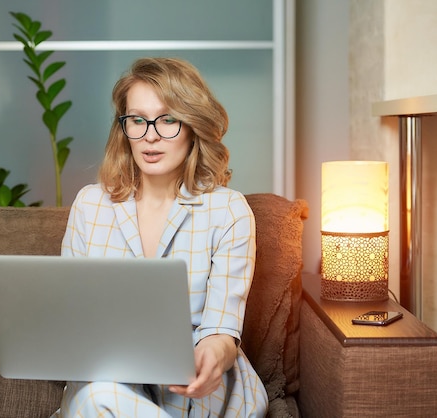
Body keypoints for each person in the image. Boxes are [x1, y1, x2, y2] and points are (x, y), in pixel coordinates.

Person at [54, 57, 268, 417]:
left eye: (167, 119)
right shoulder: (90, 205)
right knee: (96, 396)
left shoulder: (228, 210)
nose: (150, 135)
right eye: (137, 120)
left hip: (194, 391)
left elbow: (222, 330)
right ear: (124, 128)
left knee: (95, 401)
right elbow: (71, 316)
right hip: (109, 383)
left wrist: (212, 357)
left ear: (192, 126)